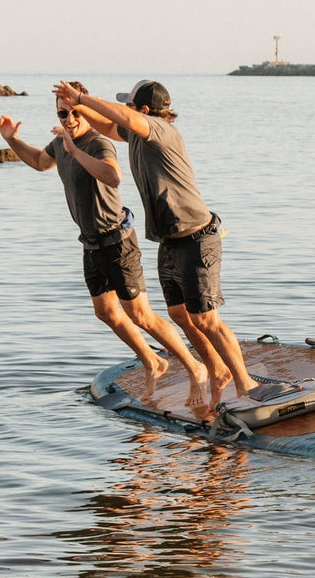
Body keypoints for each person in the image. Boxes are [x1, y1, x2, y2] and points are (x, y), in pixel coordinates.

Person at [51, 78, 272, 408]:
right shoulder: (137, 136)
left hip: (197, 238)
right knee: (180, 315)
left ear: (143, 110)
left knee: (206, 319)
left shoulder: (161, 131)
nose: (124, 110)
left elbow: (123, 120)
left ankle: (245, 383)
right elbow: (110, 125)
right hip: (170, 241)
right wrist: (75, 107)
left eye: (130, 105)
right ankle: (216, 371)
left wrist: (82, 96)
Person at [0, 87, 208, 405]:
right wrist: (11, 138)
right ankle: (153, 361)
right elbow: (40, 162)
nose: (69, 119)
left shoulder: (97, 143)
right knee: (106, 312)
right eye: (62, 113)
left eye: (75, 112)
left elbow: (114, 176)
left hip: (118, 241)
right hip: (91, 243)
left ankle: (195, 367)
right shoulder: (61, 143)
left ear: (87, 113)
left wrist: (75, 149)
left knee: (141, 316)